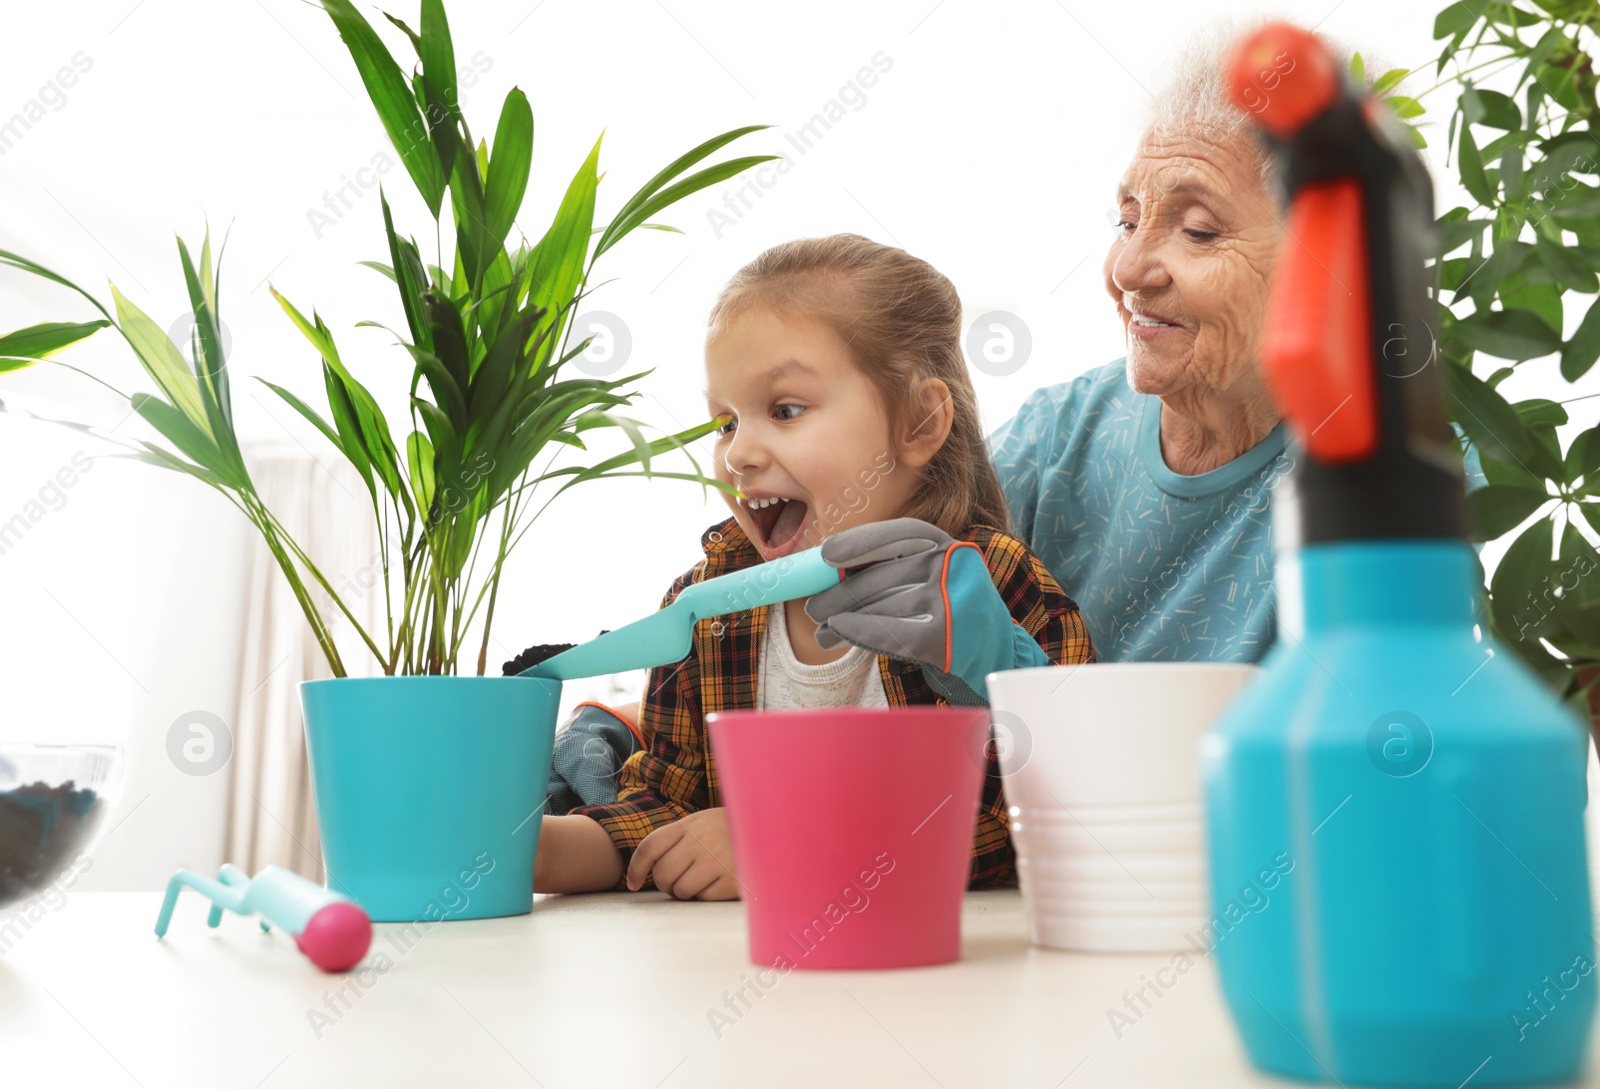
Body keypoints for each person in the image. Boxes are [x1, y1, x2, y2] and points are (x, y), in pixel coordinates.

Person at [531, 234, 1095, 900]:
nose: (738, 453)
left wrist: (784, 843)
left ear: (919, 423)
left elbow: (1063, 810)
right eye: (724, 422)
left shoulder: (991, 586)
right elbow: (661, 806)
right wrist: (523, 849)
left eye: (785, 410)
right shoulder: (707, 609)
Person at [988, 21, 1483, 664]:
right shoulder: (1054, 438)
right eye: (1127, 219)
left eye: (1198, 231)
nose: (1128, 270)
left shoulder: (1400, 463)